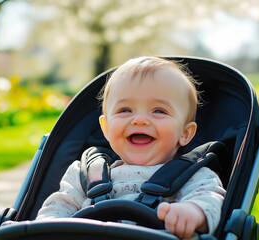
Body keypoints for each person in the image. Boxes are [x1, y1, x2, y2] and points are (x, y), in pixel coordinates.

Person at [36, 56, 226, 239]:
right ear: (107, 128)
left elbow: (209, 199)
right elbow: (58, 207)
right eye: (125, 110)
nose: (140, 120)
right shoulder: (83, 176)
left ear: (185, 134)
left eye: (159, 111)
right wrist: (47, 226)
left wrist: (193, 212)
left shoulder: (195, 177)